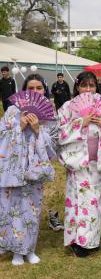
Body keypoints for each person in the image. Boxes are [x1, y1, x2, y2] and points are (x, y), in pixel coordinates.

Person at [58, 71, 101, 257]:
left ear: (96, 87)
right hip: (77, 162)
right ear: (77, 87)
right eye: (84, 85)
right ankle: (77, 241)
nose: (88, 89)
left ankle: (92, 240)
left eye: (92, 85)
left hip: (95, 161)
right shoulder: (68, 107)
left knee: (94, 201)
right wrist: (80, 122)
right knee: (76, 201)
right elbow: (60, 133)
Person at [0, 74, 58, 266]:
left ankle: (30, 249)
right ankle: (16, 251)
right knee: (13, 209)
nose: (35, 92)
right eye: (30, 88)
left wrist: (37, 130)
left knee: (32, 208)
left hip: (35, 169)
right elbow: (1, 137)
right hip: (13, 169)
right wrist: (19, 126)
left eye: (39, 88)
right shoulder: (11, 111)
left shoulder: (48, 115)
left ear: (44, 90)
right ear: (24, 90)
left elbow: (53, 145)